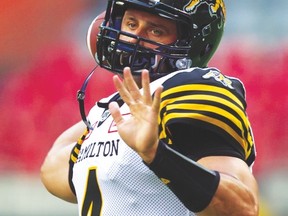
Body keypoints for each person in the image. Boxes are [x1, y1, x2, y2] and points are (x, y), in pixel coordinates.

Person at [41, 0, 259, 215]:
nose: (134, 38)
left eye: (156, 30)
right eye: (131, 23)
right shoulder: (111, 110)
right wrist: (108, 112)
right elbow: (52, 170)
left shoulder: (191, 89)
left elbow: (243, 208)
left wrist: (156, 155)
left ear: (191, 42)